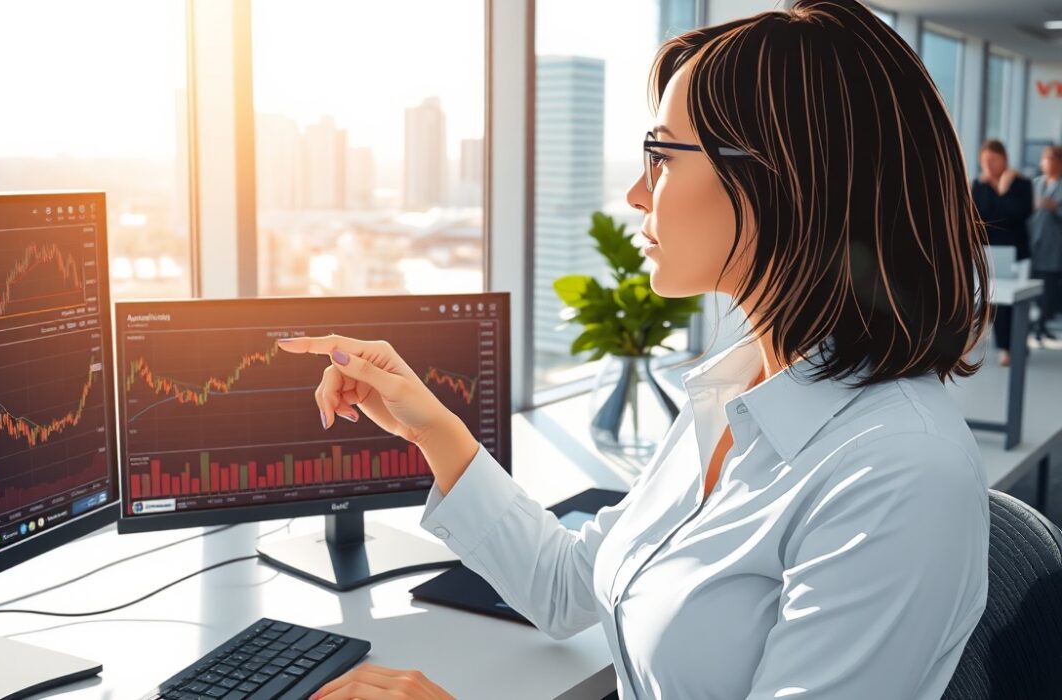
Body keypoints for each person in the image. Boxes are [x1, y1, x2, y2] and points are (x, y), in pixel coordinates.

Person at [282, 1, 992, 698]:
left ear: (783, 182)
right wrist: (429, 426)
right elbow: (570, 586)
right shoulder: (739, 392)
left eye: (660, 156)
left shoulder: (898, 475)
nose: (633, 192)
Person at [972, 139, 1033, 366]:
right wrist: (997, 193)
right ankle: (1005, 347)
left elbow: (1019, 213)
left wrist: (1001, 190)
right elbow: (980, 215)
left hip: (1017, 252)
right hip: (992, 252)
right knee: (997, 301)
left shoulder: (1021, 183)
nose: (988, 165)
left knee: (1018, 301)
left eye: (992, 160)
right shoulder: (979, 185)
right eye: (984, 161)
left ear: (1003, 159)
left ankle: (1017, 342)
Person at [1029, 145, 1062, 341]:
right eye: (1045, 159)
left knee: (1048, 288)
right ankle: (1035, 323)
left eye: (1051, 159)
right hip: (1033, 243)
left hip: (1053, 247)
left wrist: (1055, 208)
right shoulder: (1035, 183)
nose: (1047, 163)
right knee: (1030, 286)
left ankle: (1041, 323)